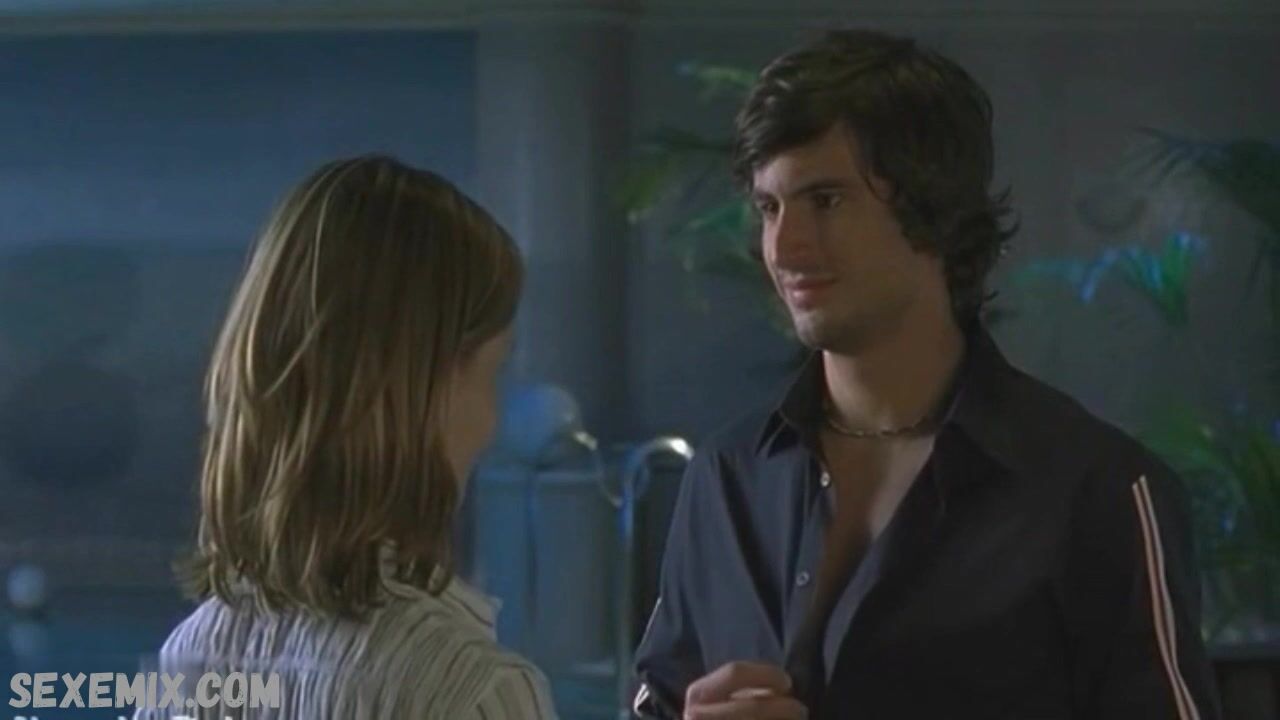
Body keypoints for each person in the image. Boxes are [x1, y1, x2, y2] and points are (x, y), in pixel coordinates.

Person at [632, 30, 1220, 720]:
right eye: (770, 208)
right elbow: (655, 702)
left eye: (826, 200)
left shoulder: (1099, 493)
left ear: (930, 211)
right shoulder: (726, 477)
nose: (784, 247)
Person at [135, 156, 558, 719]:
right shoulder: (471, 690)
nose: (493, 418)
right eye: (491, 372)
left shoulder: (187, 660)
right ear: (421, 394)